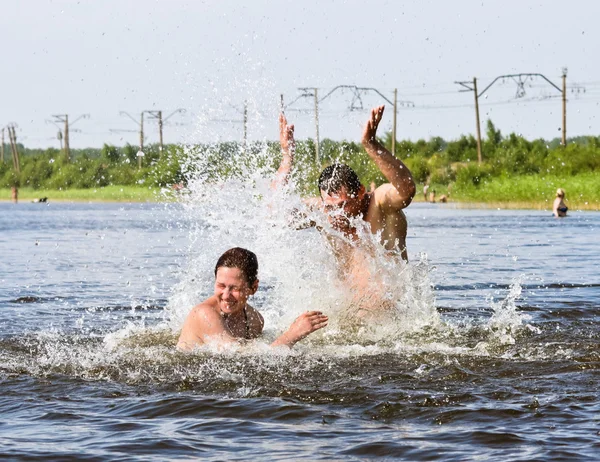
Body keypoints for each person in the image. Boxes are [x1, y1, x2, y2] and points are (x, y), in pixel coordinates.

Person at [275, 106, 416, 261]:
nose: (337, 214)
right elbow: (276, 215)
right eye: (330, 207)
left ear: (361, 192)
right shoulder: (321, 212)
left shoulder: (380, 204)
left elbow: (406, 189)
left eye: (343, 205)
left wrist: (371, 145)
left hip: (389, 286)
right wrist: (287, 157)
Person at [177, 247, 328, 351]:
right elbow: (237, 360)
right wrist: (291, 336)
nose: (226, 295)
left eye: (235, 288)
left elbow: (256, 361)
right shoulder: (204, 314)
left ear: (253, 288)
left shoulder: (255, 320)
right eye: (221, 285)